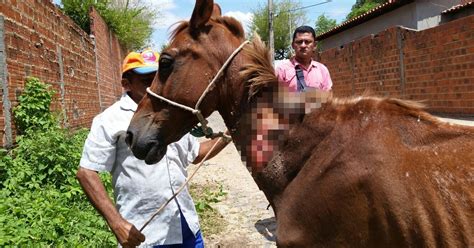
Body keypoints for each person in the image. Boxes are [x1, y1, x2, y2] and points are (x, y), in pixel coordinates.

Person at [76, 49, 230, 247]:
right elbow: (86, 172)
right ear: (126, 84)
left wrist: (229, 134)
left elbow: (197, 153)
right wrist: (116, 223)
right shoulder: (109, 120)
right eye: (147, 80)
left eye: (159, 78)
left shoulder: (172, 114)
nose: (155, 86)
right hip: (143, 233)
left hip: (185, 226)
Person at [276, 25, 333, 92]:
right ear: (293, 45)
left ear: (314, 45)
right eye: (299, 42)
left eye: (307, 42)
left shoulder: (322, 70)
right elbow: (275, 98)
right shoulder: (282, 70)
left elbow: (328, 97)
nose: (303, 45)